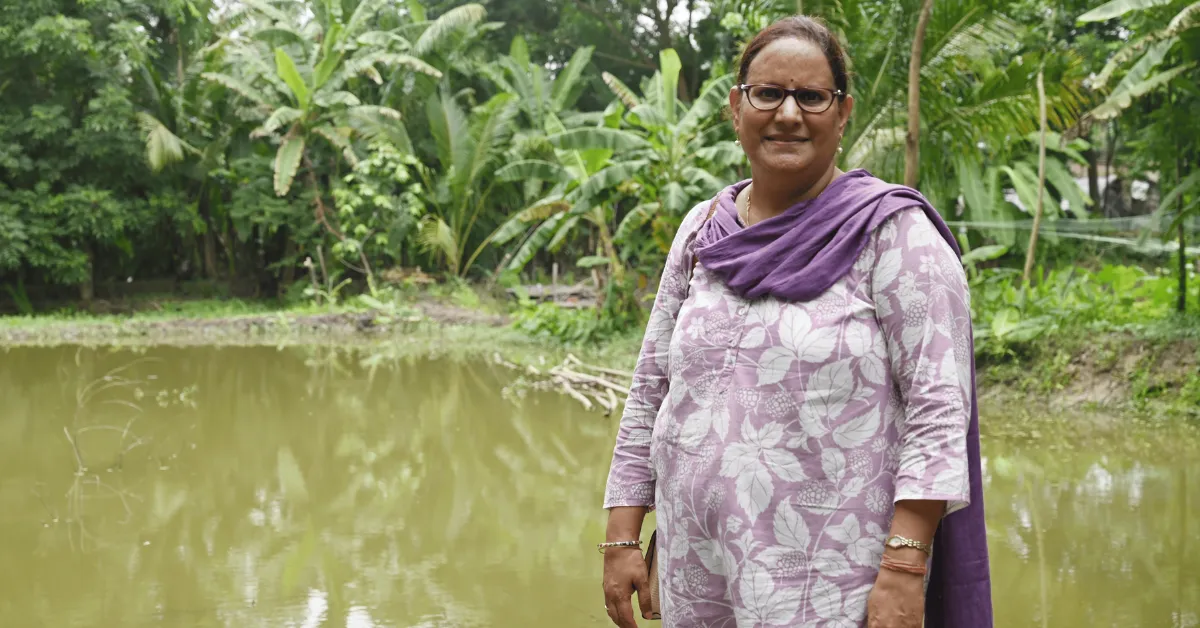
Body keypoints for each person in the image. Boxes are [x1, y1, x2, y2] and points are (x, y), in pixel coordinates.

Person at [599, 15, 992, 628]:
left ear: (842, 113)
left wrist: (906, 567)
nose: (788, 114)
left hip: (832, 574)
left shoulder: (895, 237)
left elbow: (939, 410)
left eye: (811, 96)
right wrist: (624, 532)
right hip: (697, 565)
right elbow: (652, 387)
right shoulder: (704, 229)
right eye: (768, 94)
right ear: (737, 107)